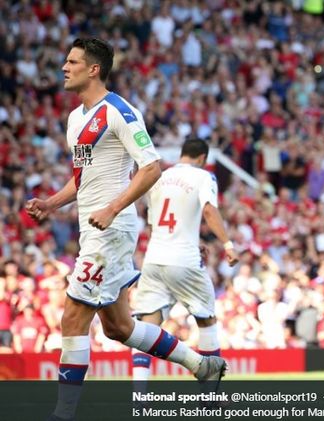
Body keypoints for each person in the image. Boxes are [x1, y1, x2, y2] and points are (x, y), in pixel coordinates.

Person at [24, 38, 226, 421]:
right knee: (119, 327)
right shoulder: (75, 119)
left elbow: (150, 167)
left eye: (72, 62)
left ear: (94, 69)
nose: (64, 67)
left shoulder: (120, 112)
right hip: (94, 228)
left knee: (72, 316)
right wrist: (52, 202)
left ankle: (62, 414)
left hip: (111, 231)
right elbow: (81, 178)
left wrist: (113, 207)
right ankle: (202, 365)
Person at [130, 138, 238, 389]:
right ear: (202, 158)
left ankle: (139, 396)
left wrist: (191, 239)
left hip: (154, 258)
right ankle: (209, 395)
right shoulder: (203, 177)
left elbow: (156, 223)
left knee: (147, 326)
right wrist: (228, 245)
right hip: (185, 260)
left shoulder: (158, 177)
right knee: (206, 320)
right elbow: (209, 211)